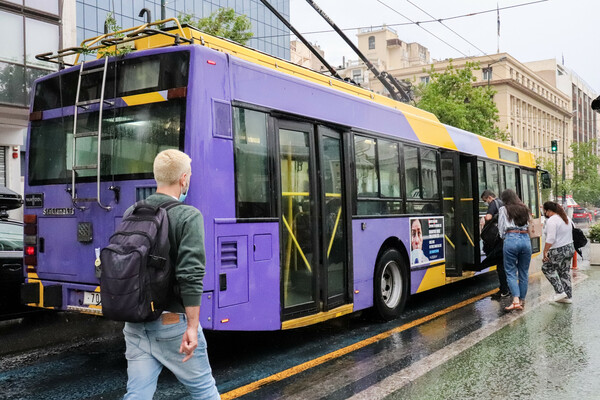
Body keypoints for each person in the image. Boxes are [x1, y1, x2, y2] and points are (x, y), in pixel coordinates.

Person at [122, 149, 220, 399]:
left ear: (156, 177)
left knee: (137, 395)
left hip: (135, 323)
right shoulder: (188, 216)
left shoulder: (132, 212)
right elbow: (191, 273)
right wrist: (192, 325)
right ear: (183, 179)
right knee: (204, 392)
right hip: (172, 323)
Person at [498, 189, 532, 311]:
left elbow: (501, 228)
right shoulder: (524, 208)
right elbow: (530, 224)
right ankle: (522, 300)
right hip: (525, 238)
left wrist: (504, 238)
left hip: (511, 238)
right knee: (523, 272)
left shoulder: (503, 209)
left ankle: (516, 300)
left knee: (511, 271)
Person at [541, 201, 575, 304]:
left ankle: (559, 292)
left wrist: (545, 251)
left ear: (548, 210)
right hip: (569, 248)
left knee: (546, 268)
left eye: (545, 211)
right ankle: (568, 296)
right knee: (564, 272)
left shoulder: (552, 220)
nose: (545, 213)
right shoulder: (566, 218)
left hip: (558, 250)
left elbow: (551, 238)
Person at [480, 190, 510, 299]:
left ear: (489, 198)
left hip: (498, 240)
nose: (486, 203)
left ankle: (504, 290)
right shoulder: (502, 203)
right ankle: (507, 289)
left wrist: (483, 218)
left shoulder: (494, 203)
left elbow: (488, 217)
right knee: (505, 265)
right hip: (505, 239)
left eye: (485, 201)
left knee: (500, 266)